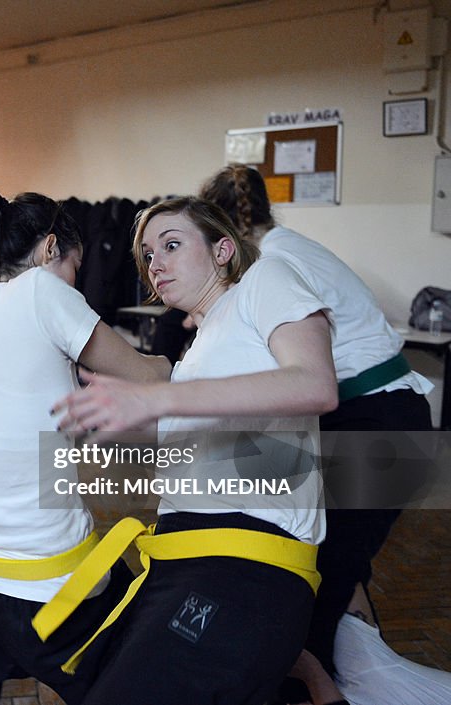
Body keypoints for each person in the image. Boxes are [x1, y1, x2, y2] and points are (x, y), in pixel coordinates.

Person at [50, 197, 338, 705]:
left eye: (172, 245)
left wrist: (154, 398)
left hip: (241, 564)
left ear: (223, 249)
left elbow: (315, 384)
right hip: (185, 560)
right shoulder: (196, 354)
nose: (155, 264)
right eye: (147, 254)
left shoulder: (264, 283)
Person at [0, 190, 171, 705]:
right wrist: (199, 361)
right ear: (50, 249)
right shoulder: (43, 293)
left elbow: (9, 426)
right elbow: (146, 373)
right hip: (48, 583)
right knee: (144, 678)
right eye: (75, 267)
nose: (76, 283)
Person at [199, 164, 446, 705]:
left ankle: (323, 687)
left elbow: (288, 370)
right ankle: (344, 673)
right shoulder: (291, 247)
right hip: (386, 420)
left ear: (220, 232)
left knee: (318, 576)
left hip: (377, 424)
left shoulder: (273, 263)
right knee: (335, 563)